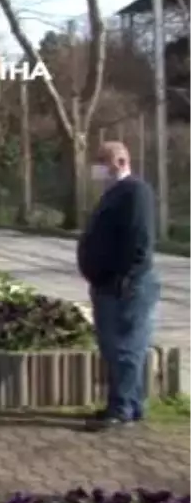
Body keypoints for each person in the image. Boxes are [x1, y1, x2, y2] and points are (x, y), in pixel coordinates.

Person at [77, 141, 159, 431]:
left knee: (125, 347)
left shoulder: (135, 192)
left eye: (102, 160)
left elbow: (140, 241)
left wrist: (125, 278)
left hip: (125, 287)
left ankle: (123, 409)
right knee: (115, 348)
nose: (97, 166)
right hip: (107, 284)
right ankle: (127, 404)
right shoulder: (114, 193)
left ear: (121, 161)